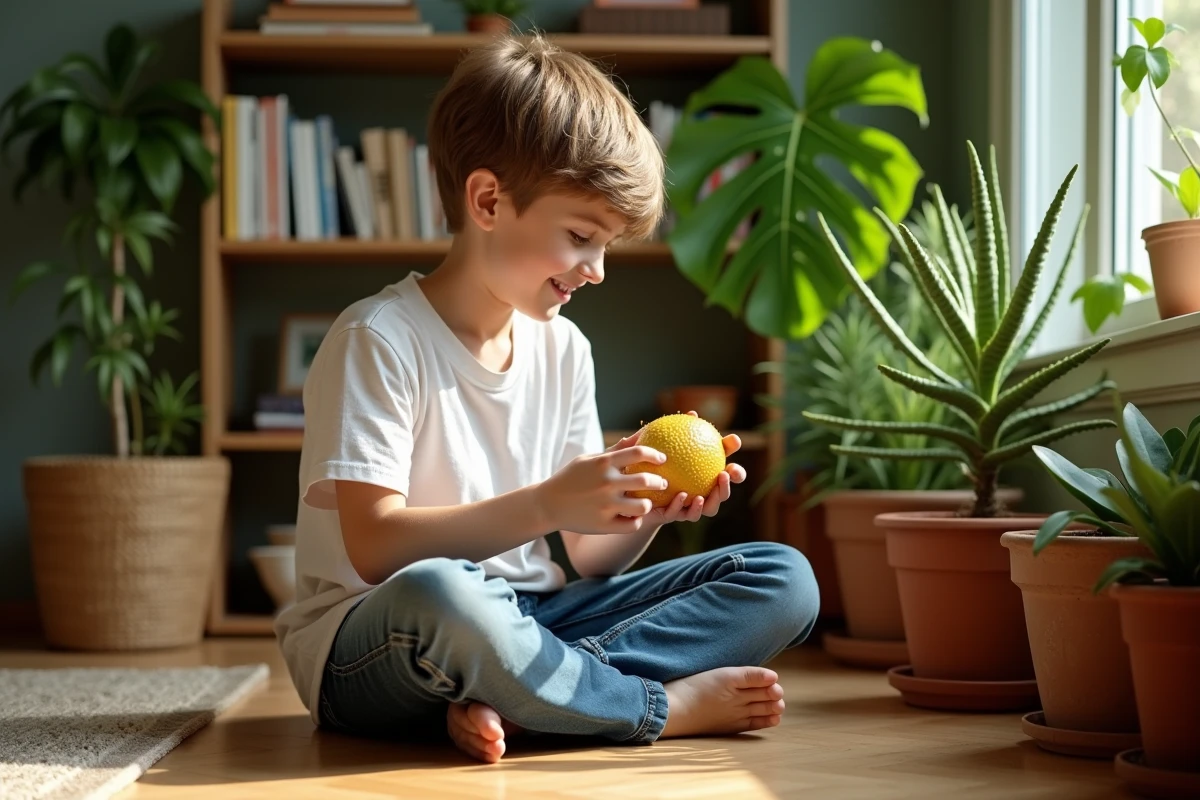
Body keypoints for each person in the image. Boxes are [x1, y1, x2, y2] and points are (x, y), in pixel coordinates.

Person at [273, 32, 820, 764]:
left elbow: (590, 560)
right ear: (488, 201)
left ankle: (529, 698)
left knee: (783, 579)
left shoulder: (564, 349)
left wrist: (647, 507)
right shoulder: (377, 338)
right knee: (447, 594)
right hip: (379, 635)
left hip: (532, 619)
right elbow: (374, 549)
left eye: (608, 246)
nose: (597, 270)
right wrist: (546, 504)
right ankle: (645, 707)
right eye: (581, 236)